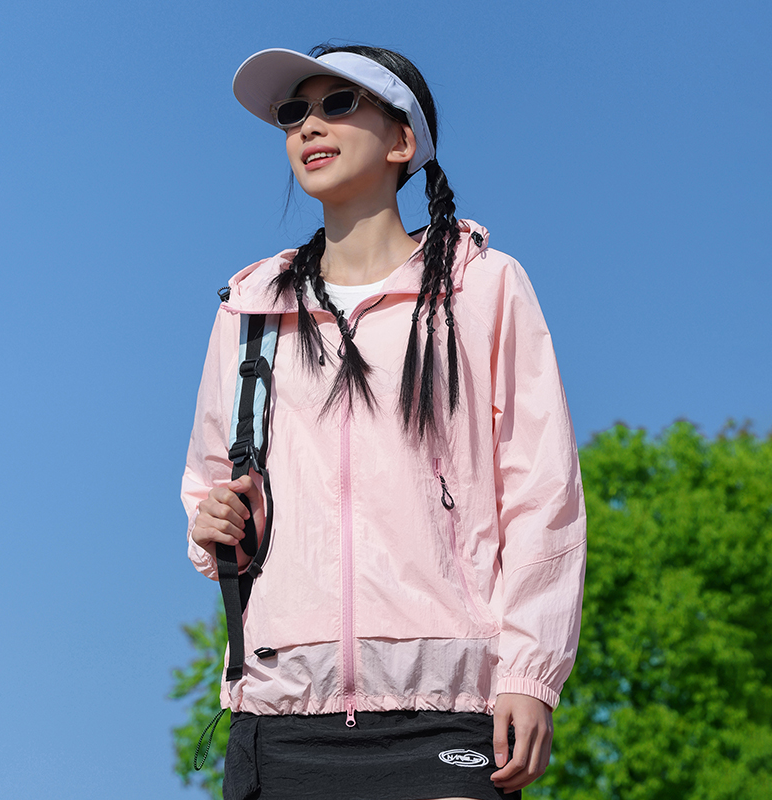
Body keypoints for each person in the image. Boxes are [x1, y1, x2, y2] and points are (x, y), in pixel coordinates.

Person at [182, 43, 586, 800]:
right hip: (281, 710)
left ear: (403, 140)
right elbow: (212, 487)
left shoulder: (484, 288)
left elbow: (542, 493)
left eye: (339, 104)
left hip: (450, 704)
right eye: (294, 112)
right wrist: (214, 523)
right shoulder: (251, 311)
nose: (309, 126)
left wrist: (530, 674)